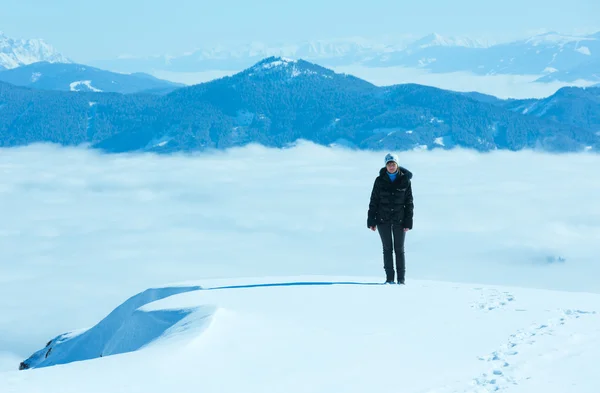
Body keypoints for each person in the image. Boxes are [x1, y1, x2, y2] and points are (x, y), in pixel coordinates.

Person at [367, 153, 414, 284]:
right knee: (387, 249)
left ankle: (401, 279)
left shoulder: (405, 180)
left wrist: (408, 222)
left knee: (399, 249)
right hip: (383, 219)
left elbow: (409, 203)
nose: (391, 166)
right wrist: (371, 220)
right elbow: (373, 201)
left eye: (393, 164)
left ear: (397, 165)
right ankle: (389, 279)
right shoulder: (379, 180)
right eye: (388, 164)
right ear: (385, 166)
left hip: (399, 220)